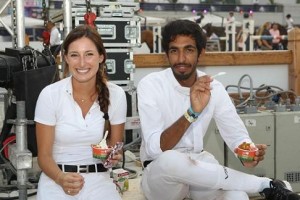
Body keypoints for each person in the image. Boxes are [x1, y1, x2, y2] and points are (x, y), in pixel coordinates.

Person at [137, 19, 300, 200]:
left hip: (198, 166)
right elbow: (154, 149)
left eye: (189, 50)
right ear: (166, 54)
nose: (181, 59)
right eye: (174, 50)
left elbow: (237, 136)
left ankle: (266, 186)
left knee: (237, 196)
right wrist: (192, 112)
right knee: (171, 160)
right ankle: (265, 185)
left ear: (201, 53)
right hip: (161, 175)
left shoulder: (214, 88)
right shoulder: (150, 84)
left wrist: (247, 153)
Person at [34, 25, 127, 199]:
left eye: (89, 54)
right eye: (75, 55)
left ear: (101, 57)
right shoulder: (50, 95)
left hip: (100, 180)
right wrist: (61, 178)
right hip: (55, 179)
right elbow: (44, 156)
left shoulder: (117, 95)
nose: (82, 63)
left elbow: (114, 149)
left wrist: (112, 157)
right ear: (66, 59)